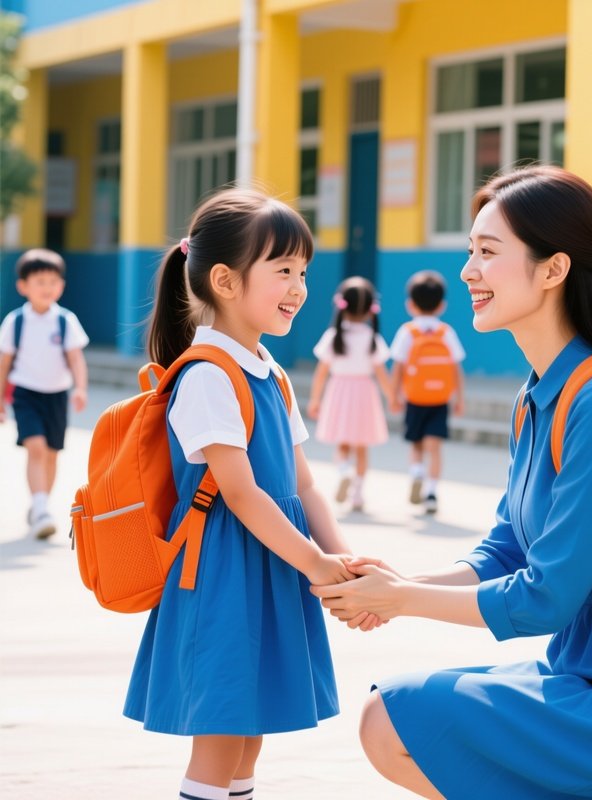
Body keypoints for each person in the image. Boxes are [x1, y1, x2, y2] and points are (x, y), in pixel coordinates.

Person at [312, 166, 592, 800]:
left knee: (393, 722)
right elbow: (505, 552)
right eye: (469, 252)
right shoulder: (540, 397)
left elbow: (546, 597)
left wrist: (401, 600)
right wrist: (393, 585)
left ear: (553, 269)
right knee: (398, 719)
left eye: (487, 253)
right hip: (586, 674)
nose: (467, 272)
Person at [122, 189, 377, 800]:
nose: (299, 286)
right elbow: (239, 493)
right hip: (222, 574)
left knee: (252, 728)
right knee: (222, 732)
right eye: (283, 270)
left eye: (303, 272)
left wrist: (346, 564)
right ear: (225, 280)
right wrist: (317, 565)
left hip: (271, 563)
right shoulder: (208, 373)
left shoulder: (270, 370)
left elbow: (303, 484)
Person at [0, 248, 89, 539]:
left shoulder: (65, 321)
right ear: (23, 286)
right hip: (25, 393)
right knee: (36, 447)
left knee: (51, 454)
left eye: (53, 281)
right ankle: (41, 509)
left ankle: (41, 504)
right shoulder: (16, 321)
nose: (47, 287)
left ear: (61, 286)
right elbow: (5, 362)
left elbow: (76, 359)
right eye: (40, 281)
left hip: (57, 396)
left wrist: (80, 388)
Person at [307, 276, 394, 512]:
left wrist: (315, 399)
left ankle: (344, 469)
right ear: (370, 310)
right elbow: (381, 373)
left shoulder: (333, 337)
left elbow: (321, 373)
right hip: (365, 393)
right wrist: (393, 398)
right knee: (362, 446)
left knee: (343, 442)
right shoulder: (371, 338)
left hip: (339, 392)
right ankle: (357, 493)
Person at [389, 271, 465, 514]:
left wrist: (394, 395)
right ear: (442, 305)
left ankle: (416, 472)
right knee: (435, 447)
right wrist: (459, 397)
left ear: (410, 304)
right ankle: (431, 492)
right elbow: (456, 367)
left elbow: (398, 367)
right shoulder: (446, 332)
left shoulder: (407, 332)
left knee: (417, 445)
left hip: (415, 397)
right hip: (440, 399)